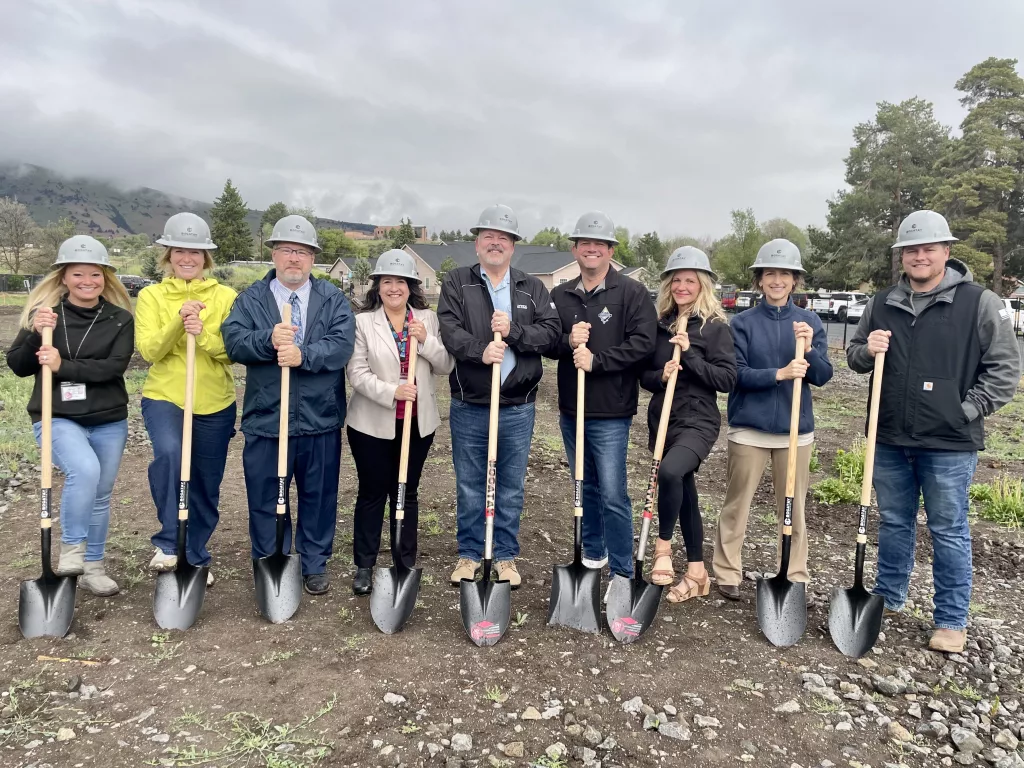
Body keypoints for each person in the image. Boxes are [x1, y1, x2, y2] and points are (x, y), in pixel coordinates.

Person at [847, 210, 1022, 653]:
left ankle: (950, 621)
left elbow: (1004, 369)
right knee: (895, 522)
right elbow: (854, 356)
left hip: (948, 443)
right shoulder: (881, 302)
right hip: (888, 436)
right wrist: (867, 349)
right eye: (911, 249)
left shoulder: (979, 302)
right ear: (901, 256)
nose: (919, 256)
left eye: (928, 248)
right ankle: (888, 597)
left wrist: (964, 410)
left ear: (946, 251)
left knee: (948, 529)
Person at [222, 215, 354, 596]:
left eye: (301, 251)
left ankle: (313, 562)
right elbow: (233, 341)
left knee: (319, 495)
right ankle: (271, 560)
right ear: (273, 255)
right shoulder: (251, 299)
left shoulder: (332, 299)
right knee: (266, 495)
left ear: (313, 257)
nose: (293, 258)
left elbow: (341, 345)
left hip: (320, 417)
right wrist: (268, 339)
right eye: (286, 250)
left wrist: (302, 354)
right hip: (268, 417)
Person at [437, 204, 561, 588]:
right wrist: (480, 350)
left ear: (513, 246)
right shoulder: (458, 282)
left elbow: (551, 333)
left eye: (503, 238)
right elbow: (449, 328)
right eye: (488, 236)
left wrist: (514, 334)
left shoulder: (532, 287)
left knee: (510, 484)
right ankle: (470, 554)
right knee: (470, 482)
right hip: (470, 402)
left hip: (518, 405)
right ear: (477, 244)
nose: (496, 243)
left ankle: (505, 555)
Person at [5, 236, 134, 596]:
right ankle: (72, 551)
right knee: (85, 470)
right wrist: (34, 334)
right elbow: (17, 366)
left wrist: (63, 365)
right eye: (78, 274)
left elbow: (114, 368)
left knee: (101, 494)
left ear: (105, 278)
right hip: (58, 415)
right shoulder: (44, 315)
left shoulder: (119, 319)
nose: (87, 281)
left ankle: (94, 567)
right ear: (64, 277)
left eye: (95, 274)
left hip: (108, 418)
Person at [711, 239, 833, 600]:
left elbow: (823, 376)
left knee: (793, 508)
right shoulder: (743, 323)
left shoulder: (810, 322)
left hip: (796, 434)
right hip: (750, 430)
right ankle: (727, 570)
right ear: (759, 281)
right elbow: (735, 374)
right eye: (769, 274)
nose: (777, 280)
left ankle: (794, 574)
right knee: (737, 504)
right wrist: (779, 374)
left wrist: (809, 349)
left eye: (784, 274)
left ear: (795, 281)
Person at [546, 212, 656, 584]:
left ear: (610, 251)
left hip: (611, 411)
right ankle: (593, 554)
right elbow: (547, 342)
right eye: (584, 244)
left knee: (611, 492)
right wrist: (568, 341)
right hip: (571, 409)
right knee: (583, 484)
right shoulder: (561, 294)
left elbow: (643, 344)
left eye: (600, 245)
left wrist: (597, 361)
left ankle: (623, 569)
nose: (591, 250)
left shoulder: (631, 293)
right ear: (575, 249)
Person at [136, 213, 237, 588]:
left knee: (206, 482)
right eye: (180, 250)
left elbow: (233, 351)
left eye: (196, 252)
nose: (188, 258)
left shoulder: (226, 297)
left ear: (206, 257)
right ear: (168, 254)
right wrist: (180, 321)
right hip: (166, 396)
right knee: (170, 456)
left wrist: (205, 336)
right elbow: (149, 351)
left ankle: (194, 551)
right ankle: (167, 541)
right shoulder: (151, 296)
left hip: (215, 401)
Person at [346, 250, 454, 595]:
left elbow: (445, 365)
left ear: (411, 286)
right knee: (373, 492)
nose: (394, 288)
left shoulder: (427, 319)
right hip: (371, 424)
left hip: (418, 424)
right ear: (377, 286)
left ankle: (403, 561)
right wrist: (393, 391)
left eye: (401, 282)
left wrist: (425, 340)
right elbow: (357, 373)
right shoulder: (363, 323)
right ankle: (364, 564)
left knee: (406, 492)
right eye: (387, 282)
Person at [642, 247, 736, 602]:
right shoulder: (660, 324)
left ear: (703, 285)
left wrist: (691, 355)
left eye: (690, 281)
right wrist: (661, 375)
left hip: (698, 420)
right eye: (676, 280)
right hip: (663, 419)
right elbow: (645, 377)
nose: (682, 286)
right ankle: (697, 573)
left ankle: (662, 547)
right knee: (684, 494)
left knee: (668, 473)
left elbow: (726, 379)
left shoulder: (714, 328)